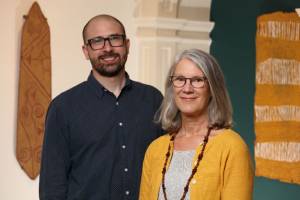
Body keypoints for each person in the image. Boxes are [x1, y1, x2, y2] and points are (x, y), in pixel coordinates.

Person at [39, 14, 163, 200]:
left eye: (115, 38)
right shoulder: (62, 108)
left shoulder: (153, 99)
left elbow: (167, 165)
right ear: (86, 51)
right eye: (97, 41)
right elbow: (52, 186)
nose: (108, 48)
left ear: (127, 45)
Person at [139, 49, 254, 200]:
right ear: (172, 87)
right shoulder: (155, 149)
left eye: (198, 80)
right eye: (180, 79)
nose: (187, 89)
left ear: (212, 88)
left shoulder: (232, 147)